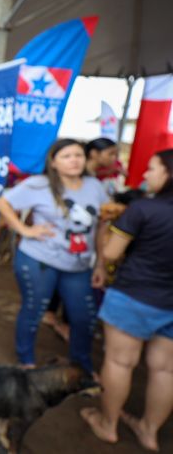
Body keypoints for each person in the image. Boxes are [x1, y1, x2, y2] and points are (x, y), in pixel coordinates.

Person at [81, 148, 173, 452]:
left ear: (168, 174)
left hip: (134, 296)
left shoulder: (143, 210)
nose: (146, 175)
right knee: (165, 370)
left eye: (151, 168)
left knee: (120, 362)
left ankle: (107, 424)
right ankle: (149, 431)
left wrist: (108, 225)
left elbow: (110, 254)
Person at [0, 139, 109, 372]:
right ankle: (26, 361)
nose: (74, 160)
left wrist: (101, 265)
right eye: (66, 156)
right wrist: (24, 229)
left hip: (79, 265)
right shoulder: (38, 184)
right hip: (39, 259)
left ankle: (82, 367)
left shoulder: (95, 186)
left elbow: (102, 228)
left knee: (83, 317)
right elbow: (2, 203)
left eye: (78, 155)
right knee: (34, 310)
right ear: (53, 162)